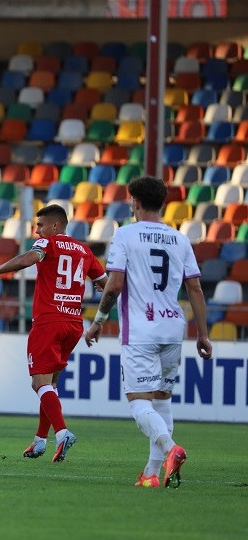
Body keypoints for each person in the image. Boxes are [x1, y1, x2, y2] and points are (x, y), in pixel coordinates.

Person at [85, 176, 212, 489]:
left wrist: (98, 320)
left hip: (141, 329)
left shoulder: (126, 234)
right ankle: (150, 474)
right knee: (162, 398)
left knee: (139, 400)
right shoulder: (180, 239)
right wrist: (203, 334)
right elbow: (195, 288)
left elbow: (114, 284)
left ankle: (171, 449)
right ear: (162, 203)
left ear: (136, 202)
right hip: (173, 327)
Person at [0, 204, 107, 462]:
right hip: (73, 325)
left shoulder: (48, 244)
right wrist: (100, 299)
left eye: (40, 225)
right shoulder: (84, 250)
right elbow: (107, 285)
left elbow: (29, 258)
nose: (37, 230)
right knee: (49, 384)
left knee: (40, 383)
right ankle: (40, 440)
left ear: (55, 225)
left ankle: (62, 433)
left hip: (49, 322)